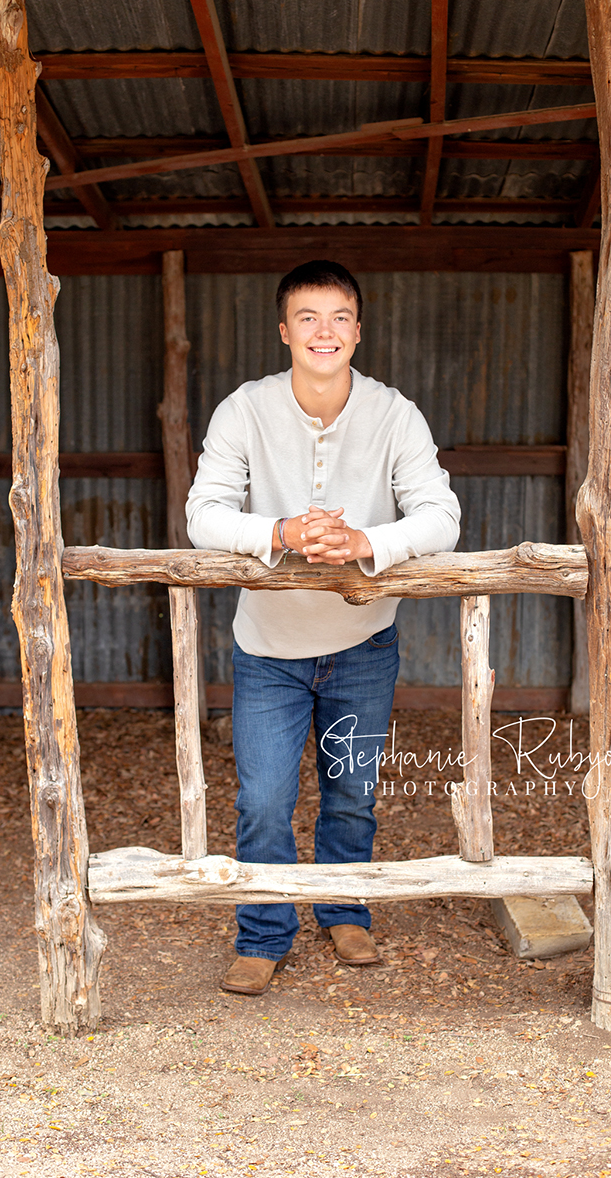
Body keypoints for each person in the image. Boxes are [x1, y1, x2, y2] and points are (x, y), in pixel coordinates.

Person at [186, 260, 461, 996]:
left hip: (364, 642)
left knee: (351, 792)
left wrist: (366, 543)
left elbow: (442, 515)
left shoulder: (395, 413)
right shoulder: (243, 409)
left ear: (359, 331)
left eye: (339, 317)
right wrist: (280, 528)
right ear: (284, 331)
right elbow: (203, 512)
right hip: (269, 647)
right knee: (265, 798)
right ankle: (264, 932)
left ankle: (344, 909)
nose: (324, 331)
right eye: (307, 317)